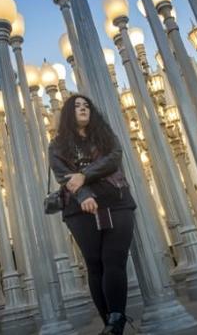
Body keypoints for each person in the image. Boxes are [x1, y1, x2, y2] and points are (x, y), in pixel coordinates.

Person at [48, 94, 137, 335]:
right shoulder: (57, 145)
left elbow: (113, 159)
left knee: (114, 260)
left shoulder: (106, 136)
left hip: (116, 199)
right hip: (79, 208)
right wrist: (84, 194)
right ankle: (109, 323)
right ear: (69, 113)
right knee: (95, 264)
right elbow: (63, 175)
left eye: (87, 105)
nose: (83, 108)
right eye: (77, 106)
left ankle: (116, 321)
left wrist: (84, 175)